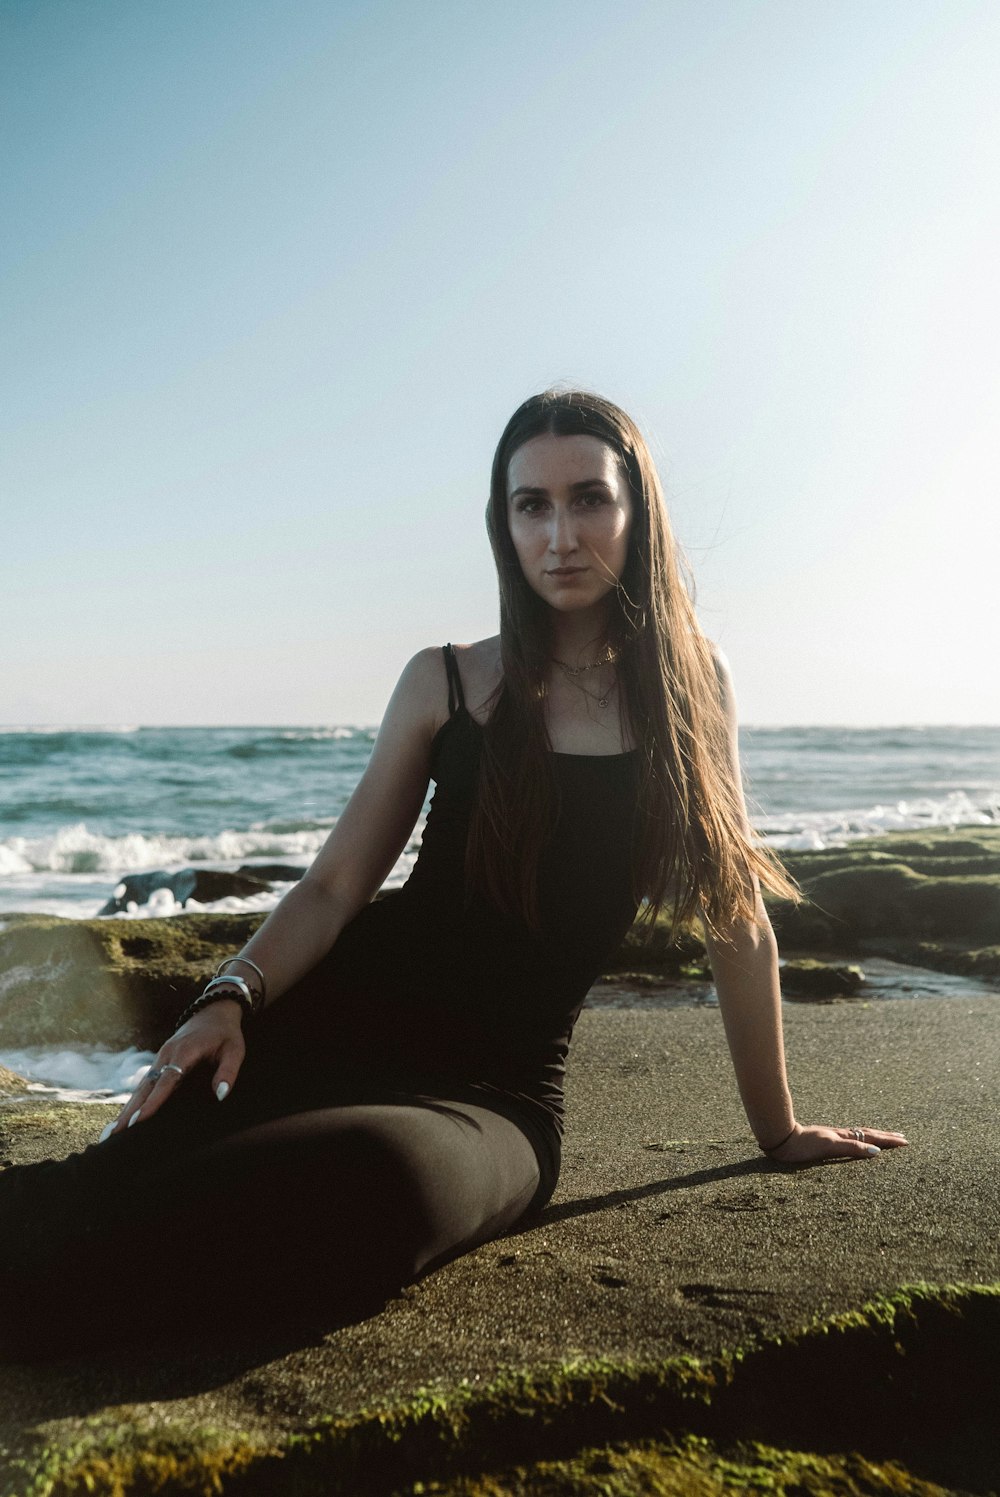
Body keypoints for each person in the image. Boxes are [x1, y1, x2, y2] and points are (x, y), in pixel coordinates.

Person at [0, 390, 906, 1358]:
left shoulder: (693, 687)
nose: (560, 534)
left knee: (371, 1189)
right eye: (530, 506)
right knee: (106, 1187)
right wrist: (227, 998)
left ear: (637, 511)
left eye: (587, 499)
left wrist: (778, 1131)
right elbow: (334, 888)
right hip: (328, 1027)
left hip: (494, 1102)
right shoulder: (447, 682)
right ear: (502, 524)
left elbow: (734, 915)